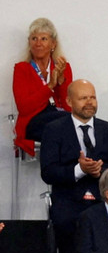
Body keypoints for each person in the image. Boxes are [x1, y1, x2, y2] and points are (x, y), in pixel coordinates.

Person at [40, 79, 108, 253]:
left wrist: (100, 172)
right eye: (83, 98)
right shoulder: (53, 130)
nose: (89, 102)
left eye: (92, 97)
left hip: (103, 199)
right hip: (69, 198)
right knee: (70, 223)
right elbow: (48, 172)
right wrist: (80, 170)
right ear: (70, 101)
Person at [13, 17, 72, 156]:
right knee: (73, 125)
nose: (38, 43)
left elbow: (69, 106)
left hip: (59, 118)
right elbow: (23, 108)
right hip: (32, 122)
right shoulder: (22, 69)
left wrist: (61, 81)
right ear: (29, 43)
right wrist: (50, 85)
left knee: (86, 124)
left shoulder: (63, 67)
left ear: (53, 44)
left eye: (44, 39)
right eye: (34, 38)